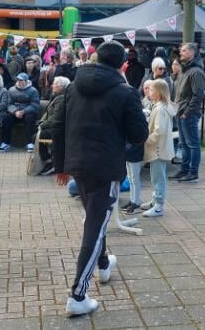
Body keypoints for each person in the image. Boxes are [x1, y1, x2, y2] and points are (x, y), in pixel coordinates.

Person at [51, 41, 149, 317]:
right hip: (105, 169)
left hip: (78, 166)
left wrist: (61, 164)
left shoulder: (72, 87)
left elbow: (57, 125)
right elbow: (139, 134)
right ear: (123, 65)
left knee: (96, 219)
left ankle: (104, 264)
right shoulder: (125, 92)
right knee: (94, 228)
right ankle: (78, 295)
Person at [141, 78, 176, 217]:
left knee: (158, 178)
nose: (149, 91)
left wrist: (148, 141)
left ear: (159, 92)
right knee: (156, 176)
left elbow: (159, 130)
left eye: (152, 89)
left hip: (157, 149)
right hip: (159, 149)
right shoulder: (161, 106)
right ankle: (155, 200)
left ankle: (158, 206)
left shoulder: (160, 108)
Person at [172, 42, 205, 183]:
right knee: (184, 143)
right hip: (180, 112)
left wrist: (187, 112)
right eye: (181, 50)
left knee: (192, 144)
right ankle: (184, 170)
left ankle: (193, 172)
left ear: (192, 52)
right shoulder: (185, 70)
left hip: (188, 114)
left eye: (184, 50)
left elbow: (198, 95)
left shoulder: (196, 71)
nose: (181, 52)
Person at [36, 76, 70, 176]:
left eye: (55, 84)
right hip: (54, 126)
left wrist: (43, 126)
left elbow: (56, 117)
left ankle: (49, 161)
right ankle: (49, 159)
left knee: (38, 136)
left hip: (59, 128)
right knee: (38, 134)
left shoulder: (61, 98)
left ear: (61, 87)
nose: (52, 86)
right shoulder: (56, 96)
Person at [6, 72, 41, 150]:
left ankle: (29, 143)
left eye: (21, 80)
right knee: (7, 118)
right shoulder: (11, 90)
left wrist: (23, 111)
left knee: (30, 118)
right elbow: (9, 104)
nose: (19, 82)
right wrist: (15, 111)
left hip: (27, 112)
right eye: (18, 80)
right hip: (16, 112)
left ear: (26, 81)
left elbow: (35, 105)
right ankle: (6, 143)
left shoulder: (33, 90)